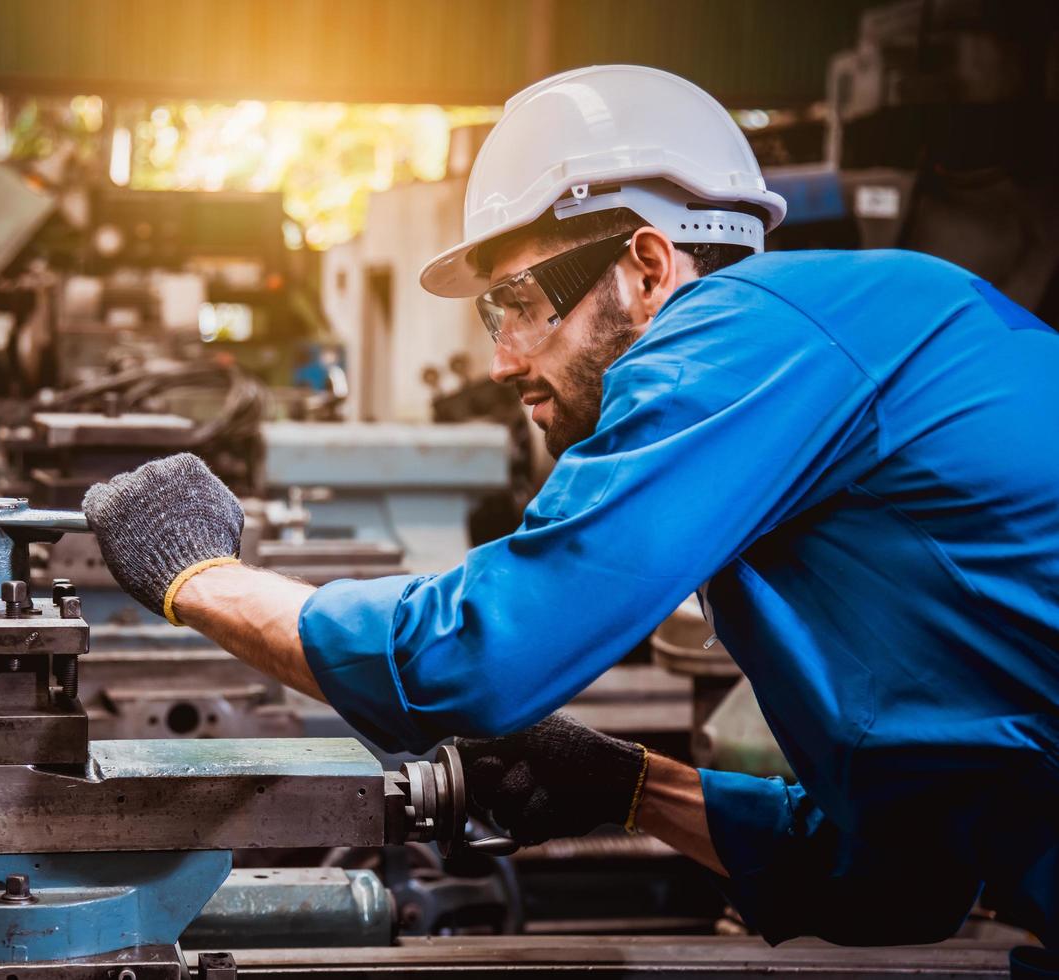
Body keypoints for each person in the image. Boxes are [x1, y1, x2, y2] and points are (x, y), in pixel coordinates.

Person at [81, 66, 1059, 958]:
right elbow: (895, 883)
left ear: (646, 265)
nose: (502, 359)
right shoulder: (806, 457)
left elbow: (467, 660)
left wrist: (199, 574)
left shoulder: (746, 326)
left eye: (518, 300)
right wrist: (626, 783)